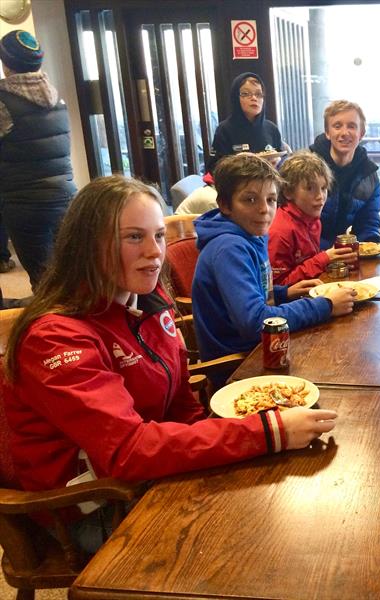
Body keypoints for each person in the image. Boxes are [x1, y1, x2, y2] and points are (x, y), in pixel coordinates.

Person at [1, 175, 338, 551]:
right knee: (256, 542)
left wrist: (231, 444)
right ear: (87, 245)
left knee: (285, 501)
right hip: (93, 504)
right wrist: (264, 432)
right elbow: (128, 451)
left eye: (158, 235)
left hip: (152, 470)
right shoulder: (54, 338)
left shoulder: (147, 300)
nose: (154, 252)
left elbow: (180, 406)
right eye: (133, 237)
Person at [192, 153, 355, 368]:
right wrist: (325, 305)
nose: (264, 210)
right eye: (250, 199)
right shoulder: (229, 248)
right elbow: (256, 322)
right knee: (339, 361)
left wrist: (284, 292)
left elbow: (253, 294)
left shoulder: (251, 235)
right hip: (239, 363)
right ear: (225, 204)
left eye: (270, 200)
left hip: (260, 347)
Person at [0, 30, 76, 290]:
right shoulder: (57, 98)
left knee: (44, 282)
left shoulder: (3, 102)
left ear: (6, 64)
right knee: (73, 274)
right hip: (67, 197)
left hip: (25, 205)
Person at [269, 151, 357, 286]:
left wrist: (334, 258)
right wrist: (324, 259)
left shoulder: (312, 219)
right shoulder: (280, 231)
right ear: (288, 192)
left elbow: (307, 263)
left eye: (323, 188)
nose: (320, 196)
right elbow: (278, 287)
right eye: (310, 189)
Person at [309, 100, 380, 249]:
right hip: (307, 251)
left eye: (352, 126)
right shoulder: (306, 168)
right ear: (328, 133)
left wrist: (369, 249)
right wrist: (329, 253)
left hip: (343, 253)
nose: (344, 133)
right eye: (337, 126)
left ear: (361, 133)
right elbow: (295, 221)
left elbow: (368, 222)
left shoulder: (369, 175)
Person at [205, 72, 284, 175]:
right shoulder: (225, 129)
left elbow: (282, 160)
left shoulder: (271, 128)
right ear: (236, 98)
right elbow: (213, 168)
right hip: (238, 187)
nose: (254, 98)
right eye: (246, 94)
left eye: (259, 94)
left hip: (269, 184)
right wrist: (238, 162)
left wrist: (277, 162)